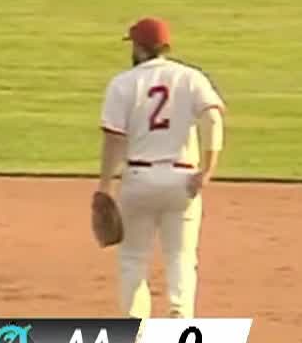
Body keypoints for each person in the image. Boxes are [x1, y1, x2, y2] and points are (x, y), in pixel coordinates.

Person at [97, 17, 226, 318]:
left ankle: (135, 328)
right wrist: (207, 171)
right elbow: (213, 119)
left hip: (138, 180)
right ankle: (179, 317)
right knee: (180, 257)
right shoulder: (191, 77)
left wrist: (105, 185)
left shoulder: (123, 83)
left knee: (132, 258)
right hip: (182, 180)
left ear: (140, 48)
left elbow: (114, 138)